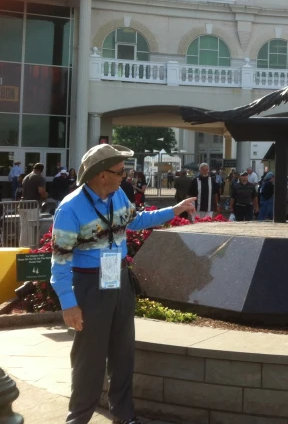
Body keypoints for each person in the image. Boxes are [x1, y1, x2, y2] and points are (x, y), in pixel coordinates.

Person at [49, 144, 196, 424]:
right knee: (89, 359)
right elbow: (60, 260)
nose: (124, 177)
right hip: (89, 286)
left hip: (119, 279)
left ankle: (123, 415)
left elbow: (138, 220)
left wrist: (174, 209)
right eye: (120, 172)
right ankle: (78, 419)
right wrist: (69, 303)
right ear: (101, 175)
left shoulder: (118, 197)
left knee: (123, 353)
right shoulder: (70, 208)